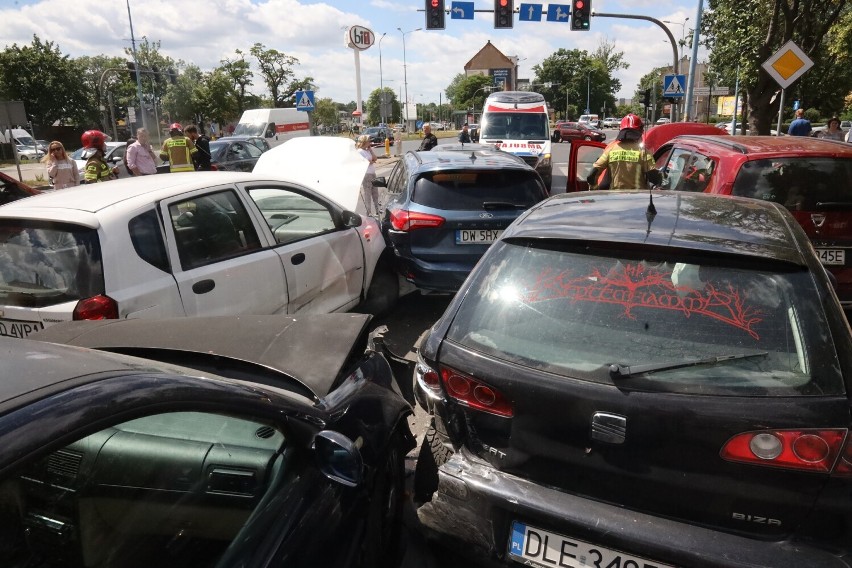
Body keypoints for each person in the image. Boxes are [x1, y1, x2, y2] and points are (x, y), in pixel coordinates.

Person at [586, 114, 660, 190]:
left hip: (615, 199)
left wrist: (594, 189)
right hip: (638, 199)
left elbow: (591, 175)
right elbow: (654, 178)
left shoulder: (611, 149)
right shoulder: (643, 152)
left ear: (621, 130)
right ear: (640, 131)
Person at [356, 134, 380, 216]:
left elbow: (375, 158)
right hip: (366, 175)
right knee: (368, 193)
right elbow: (367, 162)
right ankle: (368, 211)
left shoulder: (367, 150)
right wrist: (372, 161)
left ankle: (377, 210)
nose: (370, 142)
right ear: (364, 141)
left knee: (375, 193)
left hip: (372, 173)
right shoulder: (359, 151)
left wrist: (371, 150)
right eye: (369, 141)